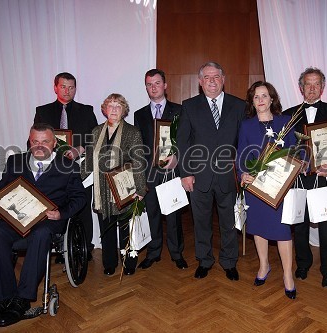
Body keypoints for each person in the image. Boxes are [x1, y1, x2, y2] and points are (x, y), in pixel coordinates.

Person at [0, 123, 86, 327]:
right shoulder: (15, 161)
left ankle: (21, 300)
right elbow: (2, 190)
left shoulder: (68, 165)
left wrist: (60, 213)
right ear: (29, 142)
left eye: (45, 142)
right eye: (35, 141)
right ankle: (3, 300)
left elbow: (79, 198)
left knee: (41, 233)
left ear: (54, 143)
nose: (39, 146)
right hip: (17, 220)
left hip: (48, 221)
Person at [284, 67, 327, 289]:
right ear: (300, 87)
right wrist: (296, 163)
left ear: (322, 87)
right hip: (300, 178)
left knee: (326, 226)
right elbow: (284, 147)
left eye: (316, 84)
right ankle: (303, 264)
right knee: (300, 224)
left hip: (325, 178)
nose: (311, 88)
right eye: (307, 84)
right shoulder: (289, 114)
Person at [177, 61, 246, 281]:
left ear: (223, 79)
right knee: (201, 223)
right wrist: (185, 172)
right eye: (207, 78)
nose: (212, 81)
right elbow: (183, 142)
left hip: (228, 176)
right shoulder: (189, 106)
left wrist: (244, 170)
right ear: (200, 82)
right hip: (199, 176)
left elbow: (244, 142)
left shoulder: (239, 105)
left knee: (228, 222)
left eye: (216, 77)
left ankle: (229, 262)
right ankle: (204, 261)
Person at [236, 81, 297, 299]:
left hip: (280, 188)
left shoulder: (285, 121)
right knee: (259, 228)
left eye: (264, 96)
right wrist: (243, 173)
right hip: (256, 187)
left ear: (272, 98)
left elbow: (296, 152)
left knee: (282, 231)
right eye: (256, 97)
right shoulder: (246, 125)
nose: (261, 100)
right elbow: (241, 154)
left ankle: (288, 275)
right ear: (252, 102)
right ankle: (264, 266)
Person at [81, 93, 147, 276]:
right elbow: (88, 160)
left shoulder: (132, 132)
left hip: (125, 188)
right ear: (105, 110)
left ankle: (128, 263)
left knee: (126, 228)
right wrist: (75, 180)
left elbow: (139, 162)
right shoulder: (96, 132)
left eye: (118, 106)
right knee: (106, 228)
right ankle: (109, 263)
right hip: (102, 189)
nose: (114, 110)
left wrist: (141, 189)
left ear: (124, 110)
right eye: (111, 106)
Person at [35, 72, 98, 260]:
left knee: (82, 208)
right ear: (55, 87)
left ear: (75, 89)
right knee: (57, 207)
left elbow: (96, 139)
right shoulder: (43, 111)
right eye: (63, 86)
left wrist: (81, 149)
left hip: (80, 169)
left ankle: (85, 248)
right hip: (53, 171)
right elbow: (34, 141)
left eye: (71, 87)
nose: (67, 90)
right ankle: (62, 249)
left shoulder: (86, 111)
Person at [134, 69, 188, 270]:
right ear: (146, 87)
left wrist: (177, 158)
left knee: (173, 215)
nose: (153, 87)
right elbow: (139, 145)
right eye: (149, 84)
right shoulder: (139, 114)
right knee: (152, 214)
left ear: (165, 85)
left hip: (172, 172)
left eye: (157, 83)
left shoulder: (180, 110)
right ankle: (154, 252)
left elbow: (186, 140)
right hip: (149, 173)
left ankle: (176, 253)